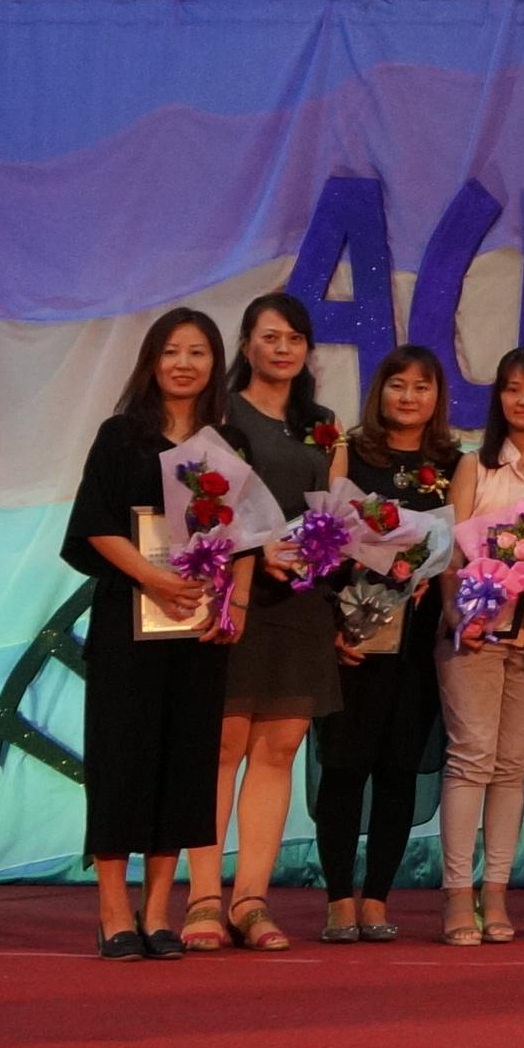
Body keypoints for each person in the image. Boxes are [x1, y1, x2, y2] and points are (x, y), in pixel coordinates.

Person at [62, 307, 237, 960]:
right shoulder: (120, 437)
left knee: (183, 761)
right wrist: (153, 579)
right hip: (127, 622)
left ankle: (160, 911)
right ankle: (113, 910)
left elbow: (238, 537)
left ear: (215, 364)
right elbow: (95, 523)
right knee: (121, 757)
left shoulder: (226, 446)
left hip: (196, 631)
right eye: (171, 351)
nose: (184, 363)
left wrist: (227, 605)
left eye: (198, 352)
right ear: (152, 361)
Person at [201, 290, 345, 954]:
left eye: (293, 338)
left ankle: (251, 901)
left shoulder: (323, 426)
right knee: (222, 746)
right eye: (269, 337)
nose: (282, 348)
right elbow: (198, 509)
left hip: (301, 606)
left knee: (280, 748)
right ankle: (203, 898)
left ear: (307, 350)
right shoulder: (220, 415)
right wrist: (258, 549)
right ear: (247, 345)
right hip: (233, 598)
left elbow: (334, 516)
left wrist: (328, 553)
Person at [313, 343, 458, 944]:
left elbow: (452, 546)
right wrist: (330, 625)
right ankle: (339, 898)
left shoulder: (451, 462)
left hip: (418, 640)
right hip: (355, 631)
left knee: (400, 769)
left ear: (436, 398)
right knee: (345, 768)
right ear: (381, 392)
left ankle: (377, 897)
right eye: (397, 385)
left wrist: (434, 581)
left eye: (421, 387)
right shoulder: (349, 452)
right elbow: (323, 541)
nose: (408, 397)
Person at [437, 346, 524, 947]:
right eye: (513, 389)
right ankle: (458, 896)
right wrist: (461, 613)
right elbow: (449, 556)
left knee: (513, 768)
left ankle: (497, 894)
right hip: (475, 638)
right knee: (471, 758)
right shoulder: (476, 467)